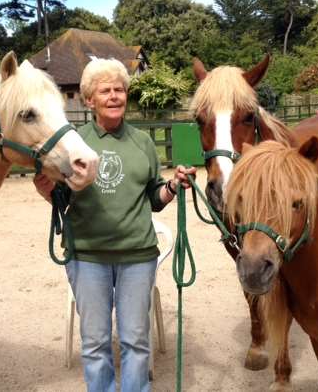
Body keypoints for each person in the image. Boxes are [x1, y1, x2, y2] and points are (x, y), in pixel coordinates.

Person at [33, 58, 196, 392]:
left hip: (137, 255)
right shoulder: (73, 143)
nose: (114, 96)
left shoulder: (143, 143)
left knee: (136, 341)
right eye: (105, 91)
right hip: (87, 256)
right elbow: (63, 201)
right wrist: (48, 193)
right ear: (89, 99)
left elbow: (154, 197)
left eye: (119, 89)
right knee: (94, 343)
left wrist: (173, 187)